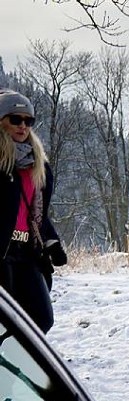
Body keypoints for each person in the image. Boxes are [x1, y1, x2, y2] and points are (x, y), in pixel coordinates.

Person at [0, 89, 67, 333]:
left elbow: (38, 214)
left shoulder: (37, 165)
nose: (22, 126)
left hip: (27, 253)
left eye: (28, 121)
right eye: (15, 119)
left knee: (40, 319)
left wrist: (52, 242)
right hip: (2, 252)